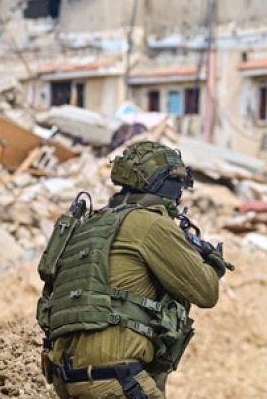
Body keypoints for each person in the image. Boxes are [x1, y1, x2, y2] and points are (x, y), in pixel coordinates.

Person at [36, 141, 230, 399]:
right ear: (168, 185)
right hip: (117, 378)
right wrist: (212, 262)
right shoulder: (150, 223)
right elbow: (206, 292)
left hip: (66, 381)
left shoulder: (89, 225)